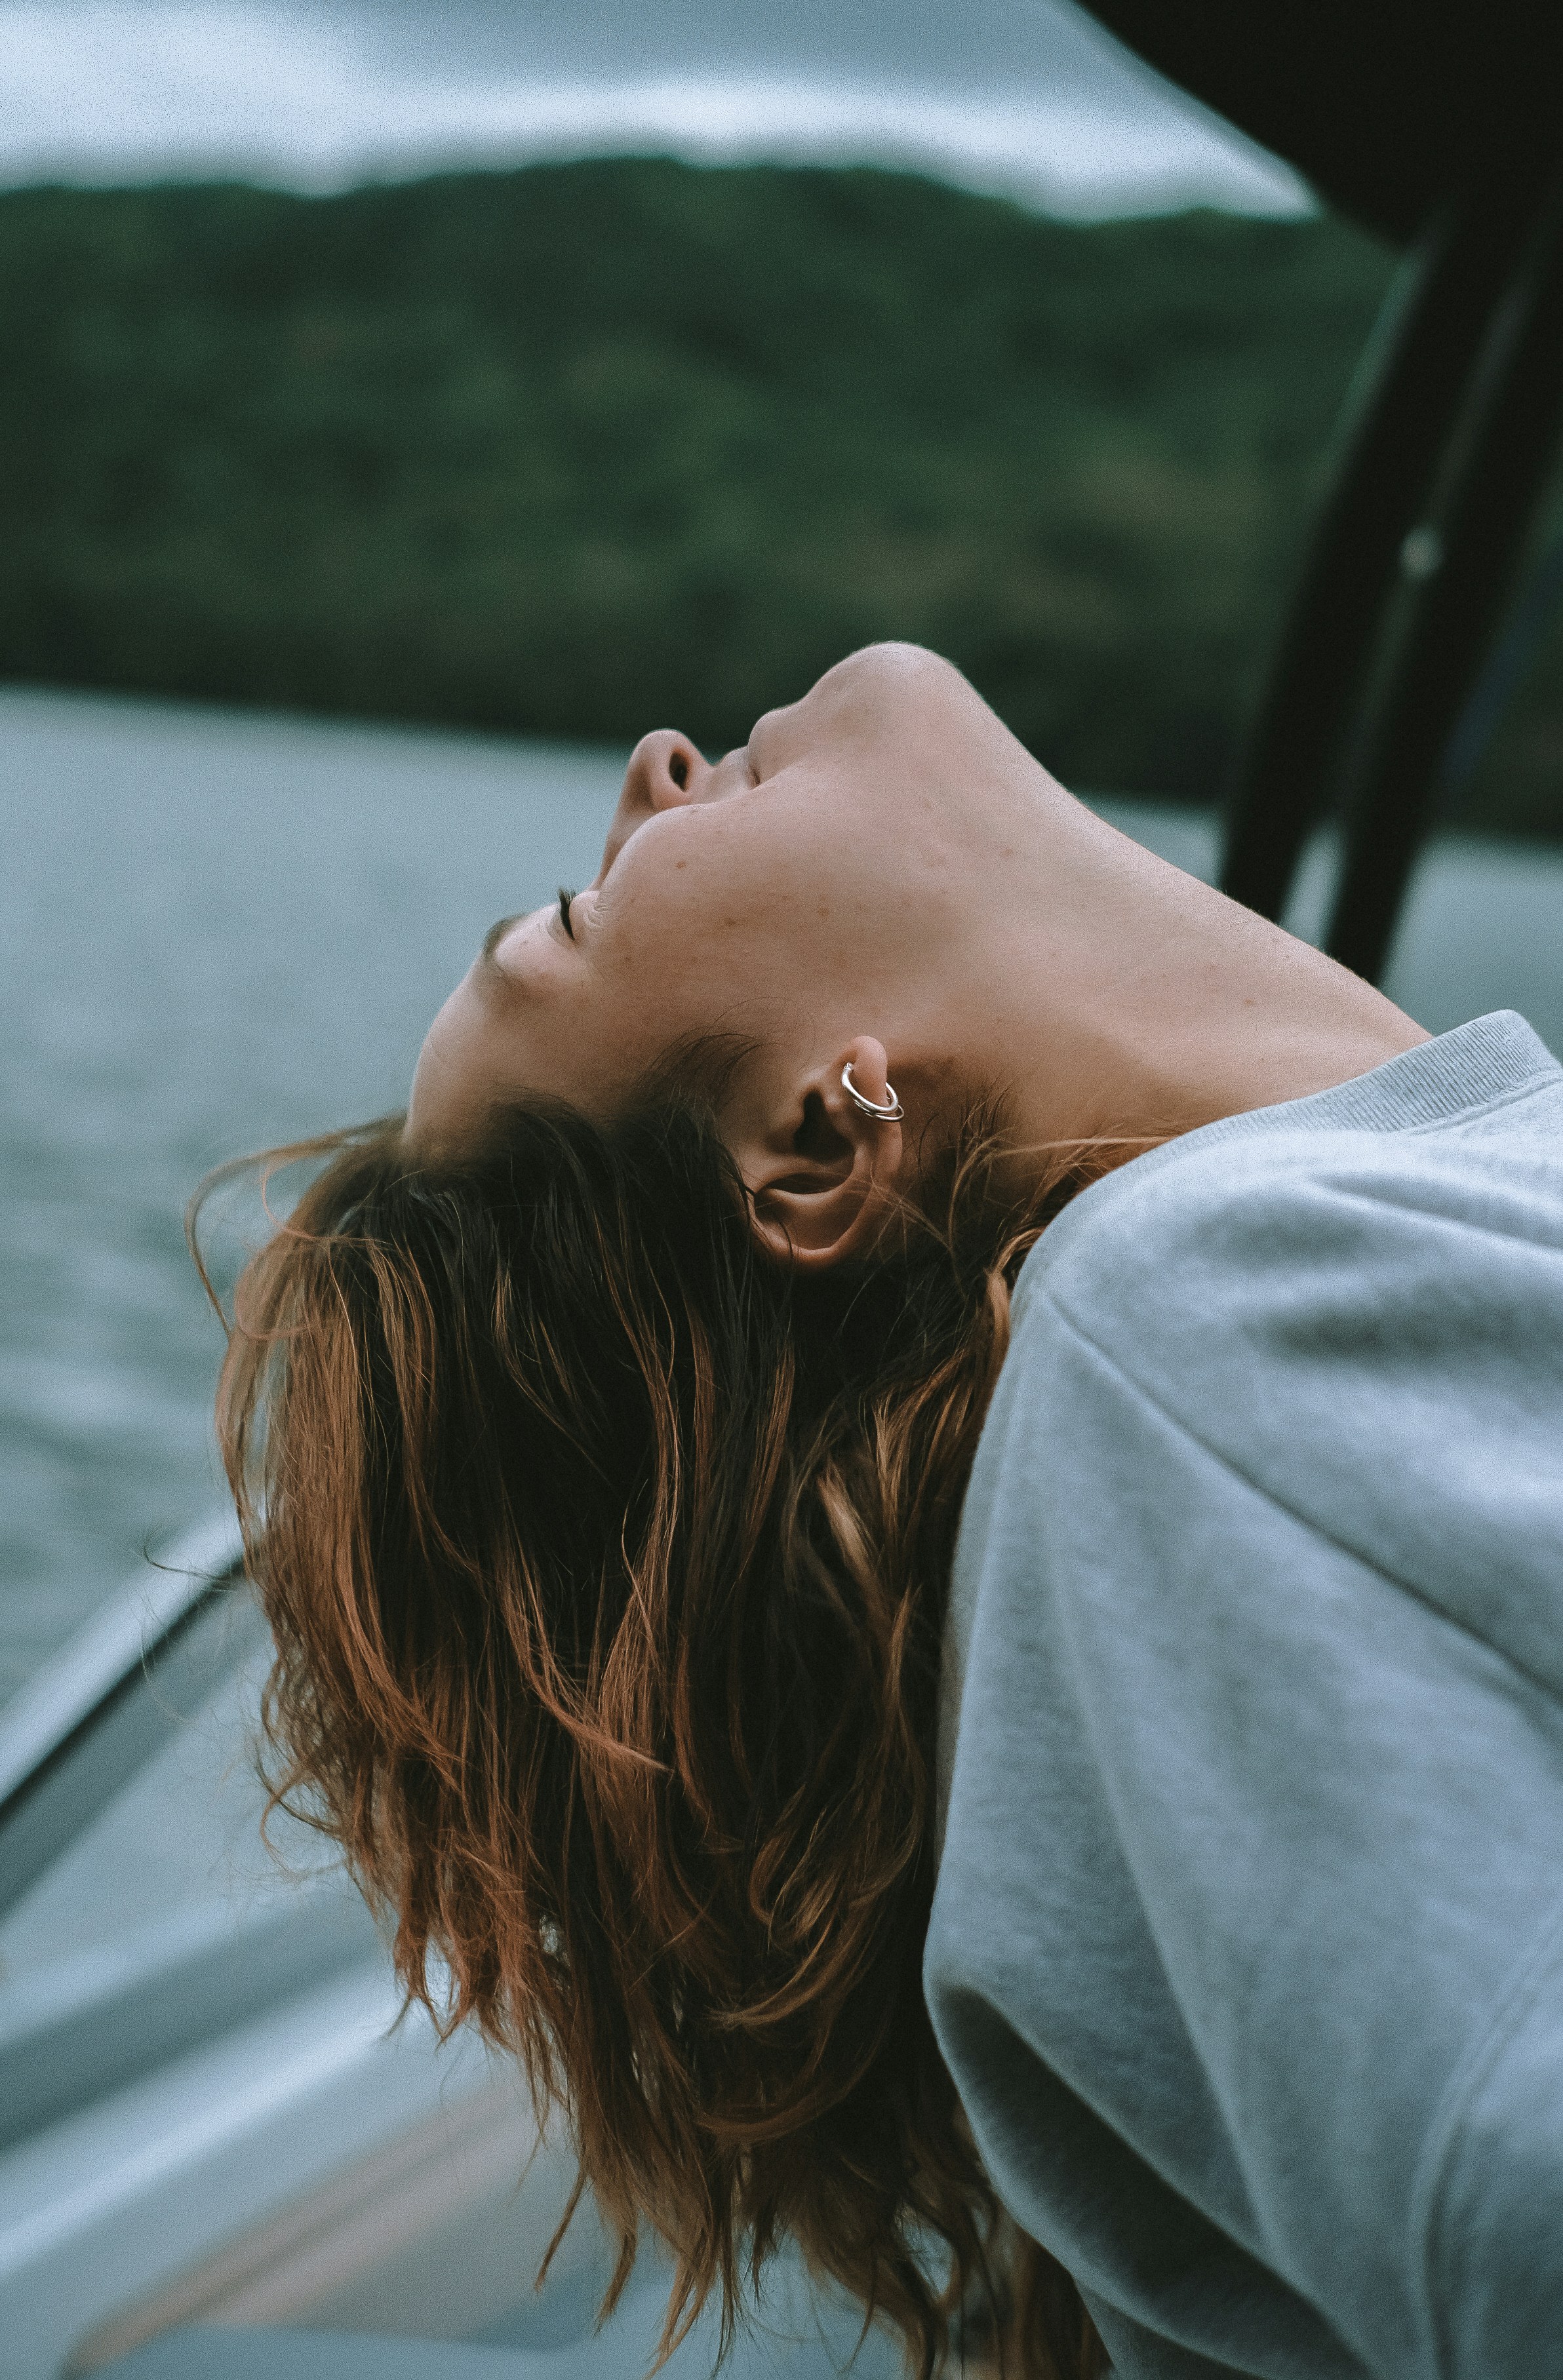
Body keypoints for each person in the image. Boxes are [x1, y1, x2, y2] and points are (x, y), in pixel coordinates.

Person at [201, 642, 1563, 2380]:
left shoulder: (1302, 1303)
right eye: (582, 908)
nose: (658, 766)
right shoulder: (1202, 1344)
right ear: (826, 1143)